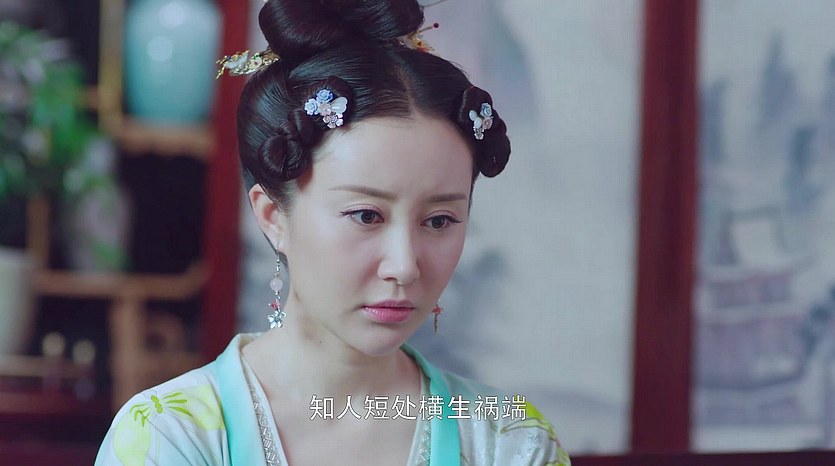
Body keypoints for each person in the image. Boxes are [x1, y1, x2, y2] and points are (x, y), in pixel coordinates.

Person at [95, 0, 571, 464]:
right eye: (366, 215)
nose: (404, 265)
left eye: (439, 221)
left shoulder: (508, 442)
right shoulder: (169, 438)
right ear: (273, 215)